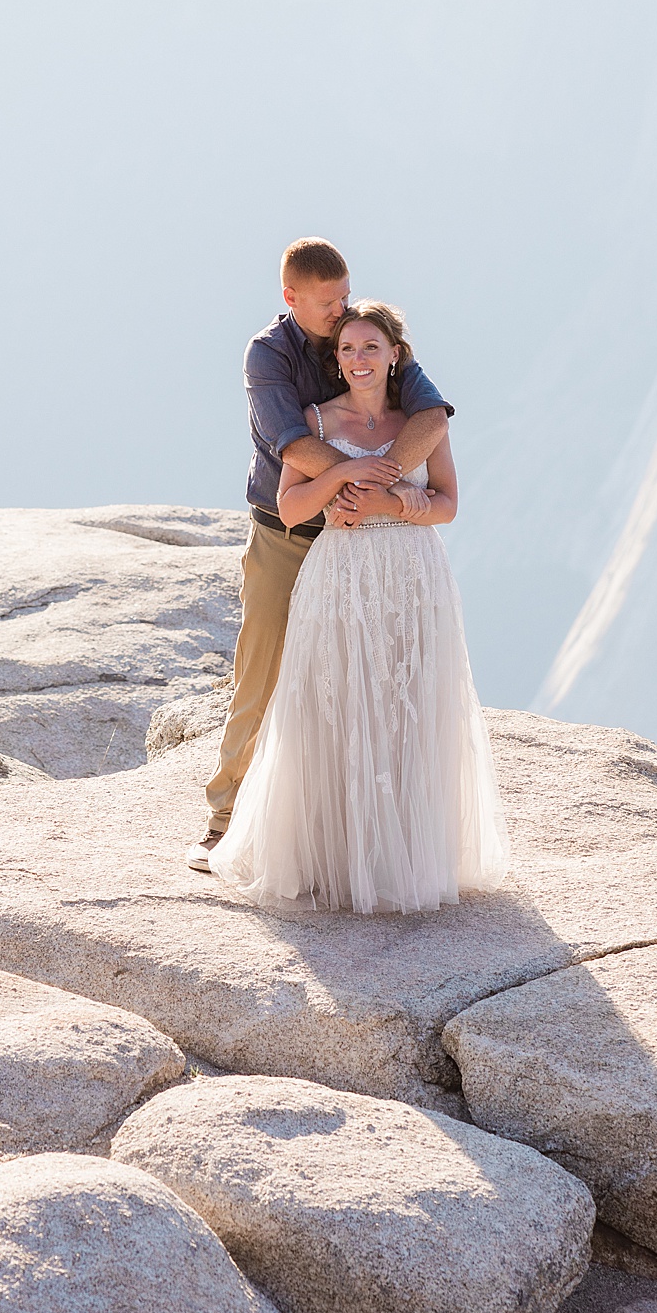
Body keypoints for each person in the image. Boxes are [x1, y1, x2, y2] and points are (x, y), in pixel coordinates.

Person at [208, 300, 509, 913]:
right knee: (336, 703)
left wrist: (393, 503)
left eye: (371, 347)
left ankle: (403, 855)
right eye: (347, 349)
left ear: (397, 354)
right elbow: (292, 508)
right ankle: (332, 853)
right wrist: (338, 486)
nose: (358, 359)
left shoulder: (423, 421)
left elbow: (448, 502)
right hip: (342, 572)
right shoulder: (315, 421)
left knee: (409, 707)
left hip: (412, 577)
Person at [187, 238, 452, 872]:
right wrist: (365, 480)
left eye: (344, 295)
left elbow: (433, 417)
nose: (341, 310)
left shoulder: (361, 335)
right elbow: (292, 445)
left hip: (362, 544)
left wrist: (372, 492)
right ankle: (227, 819)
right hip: (290, 535)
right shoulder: (267, 356)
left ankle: (337, 834)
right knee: (264, 674)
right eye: (328, 301)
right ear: (291, 299)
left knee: (353, 686)